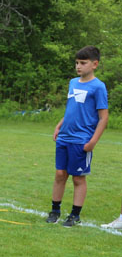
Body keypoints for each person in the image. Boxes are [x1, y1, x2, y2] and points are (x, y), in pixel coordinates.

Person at [46, 46, 109, 227]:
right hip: (65, 137)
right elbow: (72, 110)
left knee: (78, 178)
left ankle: (74, 215)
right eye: (76, 63)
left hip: (81, 139)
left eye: (83, 63)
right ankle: (55, 210)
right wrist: (60, 125)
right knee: (60, 174)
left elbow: (103, 118)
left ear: (94, 64)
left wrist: (93, 142)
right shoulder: (73, 82)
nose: (78, 66)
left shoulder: (98, 87)